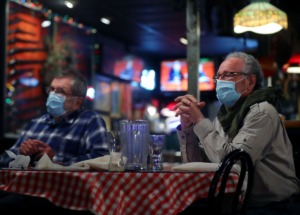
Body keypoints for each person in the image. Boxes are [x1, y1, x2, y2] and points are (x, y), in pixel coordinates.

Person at [174, 52, 300, 214]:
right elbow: (201, 164)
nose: (221, 81)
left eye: (229, 75)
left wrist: (199, 120)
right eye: (218, 76)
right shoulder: (224, 116)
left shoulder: (262, 112)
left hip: (274, 206)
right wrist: (188, 127)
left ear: (250, 82)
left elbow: (233, 163)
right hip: (235, 203)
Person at [0, 69, 109, 214]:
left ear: (77, 101)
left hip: (61, 196)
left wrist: (55, 162)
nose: (52, 95)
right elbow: (3, 161)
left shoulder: (90, 120)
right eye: (51, 89)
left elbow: (102, 159)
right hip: (23, 188)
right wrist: (21, 153)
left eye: (60, 91)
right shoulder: (36, 123)